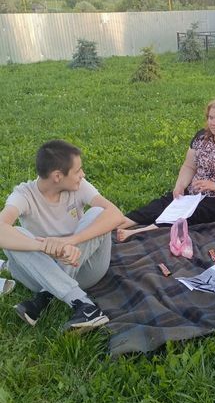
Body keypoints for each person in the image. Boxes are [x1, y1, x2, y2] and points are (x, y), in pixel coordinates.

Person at [0, 140, 124, 331]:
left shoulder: (80, 186)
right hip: (41, 273)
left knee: (98, 213)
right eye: (78, 170)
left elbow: (116, 215)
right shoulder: (24, 195)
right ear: (57, 176)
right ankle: (83, 304)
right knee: (13, 233)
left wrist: (69, 242)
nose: (83, 174)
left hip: (84, 267)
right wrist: (43, 247)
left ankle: (44, 298)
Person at [117, 98, 215, 241]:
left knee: (191, 214)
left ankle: (139, 232)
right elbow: (189, 166)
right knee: (163, 203)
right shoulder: (202, 137)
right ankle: (120, 223)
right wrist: (180, 186)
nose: (213, 122)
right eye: (210, 118)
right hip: (196, 191)